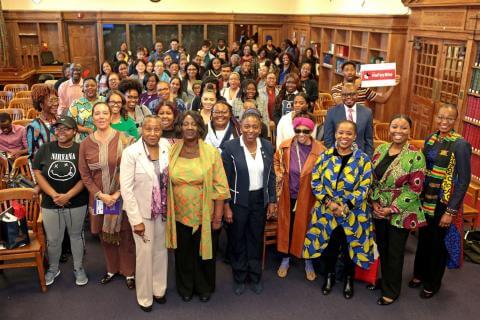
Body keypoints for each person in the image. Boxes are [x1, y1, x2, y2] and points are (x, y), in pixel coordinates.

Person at [303, 120, 374, 300]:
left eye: (349, 133)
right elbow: (315, 181)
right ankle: (329, 277)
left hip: (353, 213)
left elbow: (365, 186)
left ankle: (349, 279)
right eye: (341, 132)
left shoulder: (363, 159)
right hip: (327, 212)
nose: (344, 137)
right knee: (330, 247)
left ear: (355, 136)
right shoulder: (325, 156)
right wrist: (330, 203)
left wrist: (346, 206)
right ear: (335, 134)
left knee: (350, 247)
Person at [166, 110, 230, 302]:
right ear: (180, 127)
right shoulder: (172, 150)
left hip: (205, 212)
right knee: (183, 252)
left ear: (200, 128)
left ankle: (204, 287)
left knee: (204, 253)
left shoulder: (210, 152)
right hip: (178, 212)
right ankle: (185, 287)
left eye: (193, 124)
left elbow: (220, 186)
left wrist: (218, 217)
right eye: (185, 124)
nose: (189, 127)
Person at [409, 104, 472, 299]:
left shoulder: (460, 144)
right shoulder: (431, 138)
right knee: (424, 239)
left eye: (449, 118)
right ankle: (419, 274)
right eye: (441, 117)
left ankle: (433, 282)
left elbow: (463, 181)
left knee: (438, 244)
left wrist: (450, 211)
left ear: (456, 121)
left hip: (443, 202)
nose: (444, 122)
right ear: (436, 117)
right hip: (425, 199)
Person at [370, 114, 426, 305]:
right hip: (379, 209)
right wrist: (374, 202)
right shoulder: (381, 149)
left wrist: (391, 209)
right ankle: (385, 280)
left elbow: (415, 189)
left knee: (395, 252)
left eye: (403, 128)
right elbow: (372, 179)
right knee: (383, 248)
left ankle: (391, 291)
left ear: (410, 131)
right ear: (389, 128)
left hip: (401, 212)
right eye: (394, 127)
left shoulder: (416, 155)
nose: (398, 131)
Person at [78, 101, 136, 289]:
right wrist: (100, 195)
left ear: (111, 116)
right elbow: (85, 174)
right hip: (99, 198)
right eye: (97, 113)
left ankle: (129, 272)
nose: (101, 116)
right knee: (105, 234)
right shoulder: (85, 144)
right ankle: (112, 269)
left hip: (123, 195)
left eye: (105, 113)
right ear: (92, 117)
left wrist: (118, 193)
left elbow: (134, 169)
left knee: (125, 233)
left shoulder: (126, 139)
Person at [221, 109, 277, 295]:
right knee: (238, 239)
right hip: (238, 200)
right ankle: (239, 276)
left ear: (260, 128)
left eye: (255, 126)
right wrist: (226, 205)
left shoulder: (268, 146)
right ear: (240, 128)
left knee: (255, 238)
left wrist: (272, 201)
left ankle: (255, 276)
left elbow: (271, 176)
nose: (251, 130)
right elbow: (225, 180)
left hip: (259, 200)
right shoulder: (230, 147)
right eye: (247, 126)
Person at [120, 115, 170, 312]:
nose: (152, 133)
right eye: (148, 129)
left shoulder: (167, 146)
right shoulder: (131, 152)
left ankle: (159, 290)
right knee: (144, 254)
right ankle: (145, 297)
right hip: (142, 213)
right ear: (142, 129)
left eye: (157, 129)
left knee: (161, 251)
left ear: (162, 131)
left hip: (164, 211)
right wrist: (136, 220)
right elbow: (126, 189)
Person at [32, 116, 89, 286]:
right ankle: (53, 268)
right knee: (53, 239)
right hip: (50, 202)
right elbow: (37, 172)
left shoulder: (81, 149)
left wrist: (68, 195)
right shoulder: (46, 148)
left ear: (75, 131)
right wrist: (54, 194)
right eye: (58, 128)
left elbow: (85, 176)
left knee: (76, 236)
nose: (61, 132)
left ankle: (78, 268)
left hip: (76, 201)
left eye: (66, 129)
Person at [274, 112, 325, 280]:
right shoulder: (285, 146)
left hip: (309, 197)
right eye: (298, 130)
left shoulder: (321, 150)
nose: (301, 134)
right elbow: (276, 162)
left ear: (311, 131)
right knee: (287, 227)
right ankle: (285, 259)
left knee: (308, 228)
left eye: (306, 131)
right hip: (288, 195)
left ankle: (308, 261)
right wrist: (279, 173)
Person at [324, 83, 374, 156]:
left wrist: (368, 158)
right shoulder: (332, 112)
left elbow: (369, 139)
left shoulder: (367, 112)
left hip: (360, 157)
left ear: (357, 95)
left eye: (352, 94)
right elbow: (328, 139)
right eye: (345, 95)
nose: (348, 97)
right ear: (341, 96)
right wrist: (334, 157)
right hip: (337, 156)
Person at [331, 61, 401, 106]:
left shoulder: (363, 88)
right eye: (346, 70)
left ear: (355, 71)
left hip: (360, 120)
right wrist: (355, 87)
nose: (349, 72)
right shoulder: (336, 88)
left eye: (352, 70)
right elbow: (340, 104)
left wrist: (393, 86)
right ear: (342, 72)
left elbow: (383, 100)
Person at [67, 77, 105, 142]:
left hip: (104, 137)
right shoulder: (76, 103)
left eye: (93, 85)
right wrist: (88, 130)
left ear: (97, 87)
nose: (90, 87)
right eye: (87, 86)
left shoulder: (104, 100)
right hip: (83, 140)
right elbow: (71, 123)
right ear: (83, 88)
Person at [28, 84, 59, 157]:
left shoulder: (61, 120)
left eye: (56, 99)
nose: (56, 103)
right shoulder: (34, 126)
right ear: (41, 104)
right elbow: (33, 156)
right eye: (51, 101)